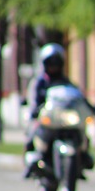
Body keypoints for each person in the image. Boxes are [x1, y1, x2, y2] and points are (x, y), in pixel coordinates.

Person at [23, 43, 75, 176]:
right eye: (50, 63)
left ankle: (81, 159)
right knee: (32, 131)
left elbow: (76, 96)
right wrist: (34, 109)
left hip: (61, 117)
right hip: (45, 116)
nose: (53, 66)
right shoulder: (39, 82)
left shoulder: (65, 82)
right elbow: (33, 98)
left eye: (56, 63)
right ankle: (30, 162)